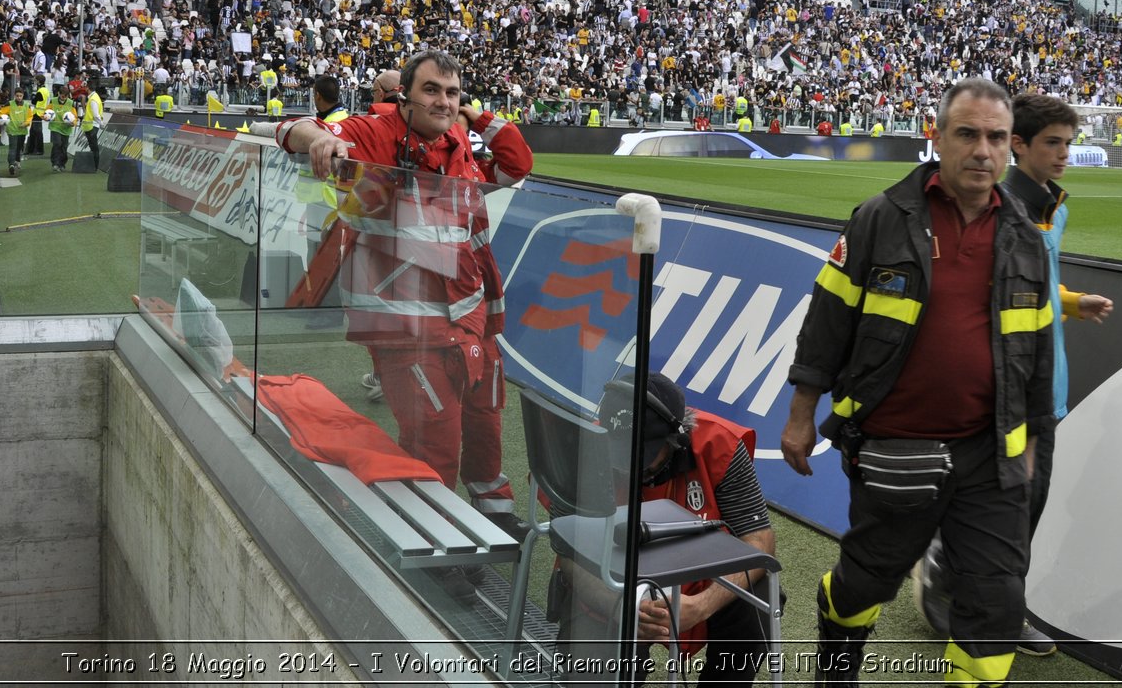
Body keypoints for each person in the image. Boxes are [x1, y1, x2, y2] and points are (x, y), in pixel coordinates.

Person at [780, 77, 1055, 686]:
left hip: (990, 454)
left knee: (996, 601)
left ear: (1010, 147)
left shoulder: (1026, 239)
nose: (983, 151)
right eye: (968, 134)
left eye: (997, 138)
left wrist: (1033, 439)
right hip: (895, 444)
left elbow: (1036, 350)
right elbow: (827, 323)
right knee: (866, 582)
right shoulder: (881, 218)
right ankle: (836, 643)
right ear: (936, 138)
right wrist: (802, 413)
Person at [275, 51, 533, 570]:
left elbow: (516, 165)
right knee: (435, 439)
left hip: (470, 315)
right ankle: (433, 550)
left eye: (451, 92)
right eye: (431, 90)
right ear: (404, 96)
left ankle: (494, 519)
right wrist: (322, 139)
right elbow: (292, 128)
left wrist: (473, 115)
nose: (443, 101)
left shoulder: (456, 137)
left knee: (485, 426)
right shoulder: (376, 132)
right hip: (405, 324)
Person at [558, 373, 775, 687]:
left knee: (761, 597)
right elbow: (568, 554)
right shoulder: (587, 448)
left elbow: (759, 542)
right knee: (594, 675)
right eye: (619, 451)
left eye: (643, 454)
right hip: (610, 582)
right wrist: (621, 607)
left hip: (695, 582)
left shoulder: (720, 444)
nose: (628, 466)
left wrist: (701, 606)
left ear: (677, 440)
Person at [995, 93, 1113, 656]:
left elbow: (1039, 282)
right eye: (1053, 143)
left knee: (1029, 506)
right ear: (1018, 144)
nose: (1066, 153)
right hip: (1002, 388)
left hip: (1049, 387)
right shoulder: (992, 208)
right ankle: (996, 614)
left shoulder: (1056, 207)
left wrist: (1070, 302)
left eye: (1069, 142)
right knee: (1009, 508)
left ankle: (973, 591)